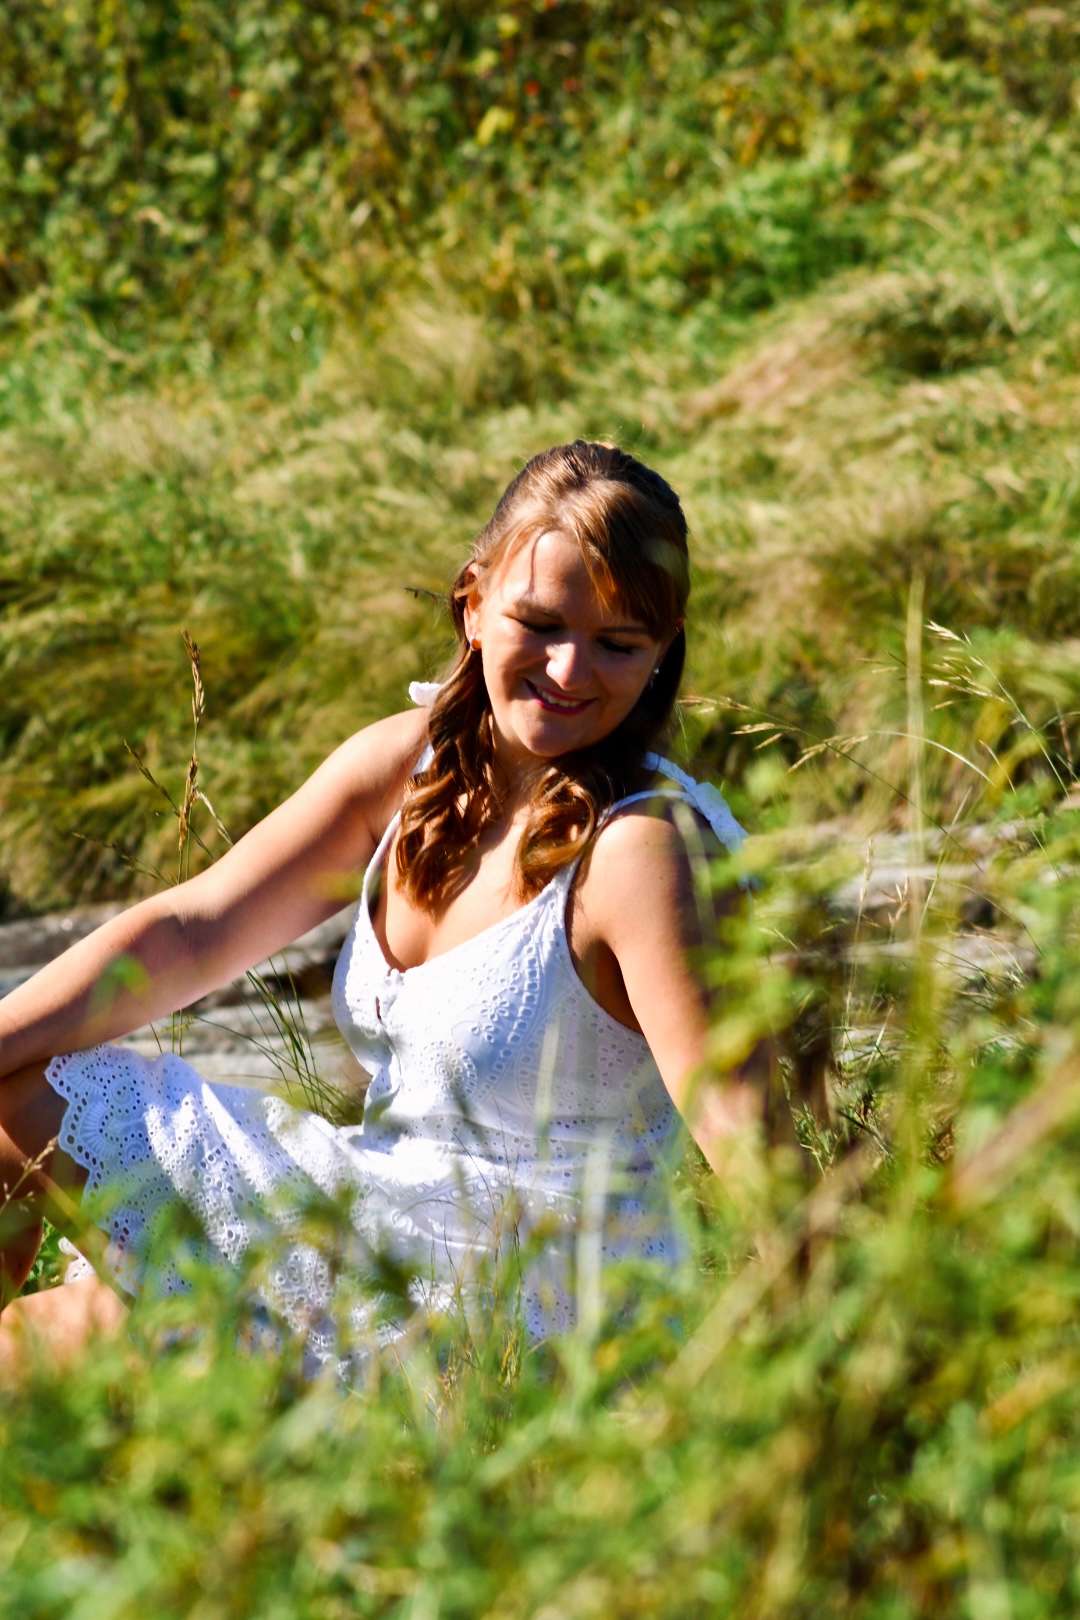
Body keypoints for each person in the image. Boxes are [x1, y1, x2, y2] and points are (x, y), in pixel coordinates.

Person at [0, 440, 767, 1373]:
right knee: (18, 1167)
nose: (570, 671)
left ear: (662, 650)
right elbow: (193, 932)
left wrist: (834, 1403)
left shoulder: (643, 850)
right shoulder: (407, 766)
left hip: (526, 1310)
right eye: (540, 623)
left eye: (618, 644)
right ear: (472, 604)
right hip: (375, 1215)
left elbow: (749, 1140)